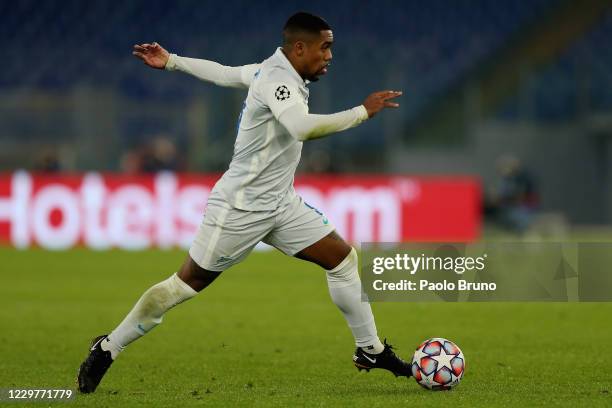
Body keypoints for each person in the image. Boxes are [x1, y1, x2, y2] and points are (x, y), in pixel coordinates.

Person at [77, 12, 410, 393]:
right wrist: (361, 112)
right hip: (240, 207)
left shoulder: (272, 70)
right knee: (186, 284)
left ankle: (370, 349)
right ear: (299, 48)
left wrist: (172, 61)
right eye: (325, 47)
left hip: (281, 204)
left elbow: (224, 73)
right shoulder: (278, 80)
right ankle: (108, 346)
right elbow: (300, 127)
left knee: (342, 258)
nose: (329, 56)